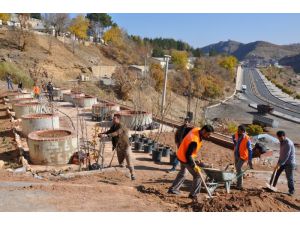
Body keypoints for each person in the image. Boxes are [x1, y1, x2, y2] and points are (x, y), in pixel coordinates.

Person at [168, 125, 214, 199]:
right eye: (208, 134)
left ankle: (173, 189)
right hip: (185, 157)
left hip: (181, 153)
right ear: (204, 131)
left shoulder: (197, 129)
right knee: (198, 176)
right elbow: (188, 155)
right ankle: (194, 195)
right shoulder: (194, 140)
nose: (208, 136)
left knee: (182, 173)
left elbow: (185, 130)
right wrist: (194, 166)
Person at [98, 114, 136, 180]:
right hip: (119, 146)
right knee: (121, 162)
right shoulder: (114, 126)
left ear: (118, 119)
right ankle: (125, 174)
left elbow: (116, 133)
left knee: (128, 159)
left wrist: (107, 136)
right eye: (113, 118)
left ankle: (132, 174)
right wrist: (103, 134)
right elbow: (109, 131)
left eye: (114, 118)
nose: (113, 119)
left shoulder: (122, 126)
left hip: (125, 145)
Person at [271, 130, 296, 196]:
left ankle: (291, 191)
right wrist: (278, 162)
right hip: (282, 161)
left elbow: (286, 156)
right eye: (278, 138)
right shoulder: (282, 142)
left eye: (281, 138)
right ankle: (271, 187)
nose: (279, 139)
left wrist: (280, 164)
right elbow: (282, 154)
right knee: (275, 173)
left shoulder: (288, 143)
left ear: (284, 136)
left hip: (289, 163)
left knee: (289, 177)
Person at [232, 125, 253, 190]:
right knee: (237, 168)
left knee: (238, 168)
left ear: (243, 131)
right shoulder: (236, 134)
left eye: (239, 130)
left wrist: (249, 160)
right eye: (237, 130)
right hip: (236, 154)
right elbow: (233, 138)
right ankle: (238, 182)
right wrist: (235, 143)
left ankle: (239, 185)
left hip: (243, 156)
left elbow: (250, 150)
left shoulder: (247, 138)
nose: (237, 131)